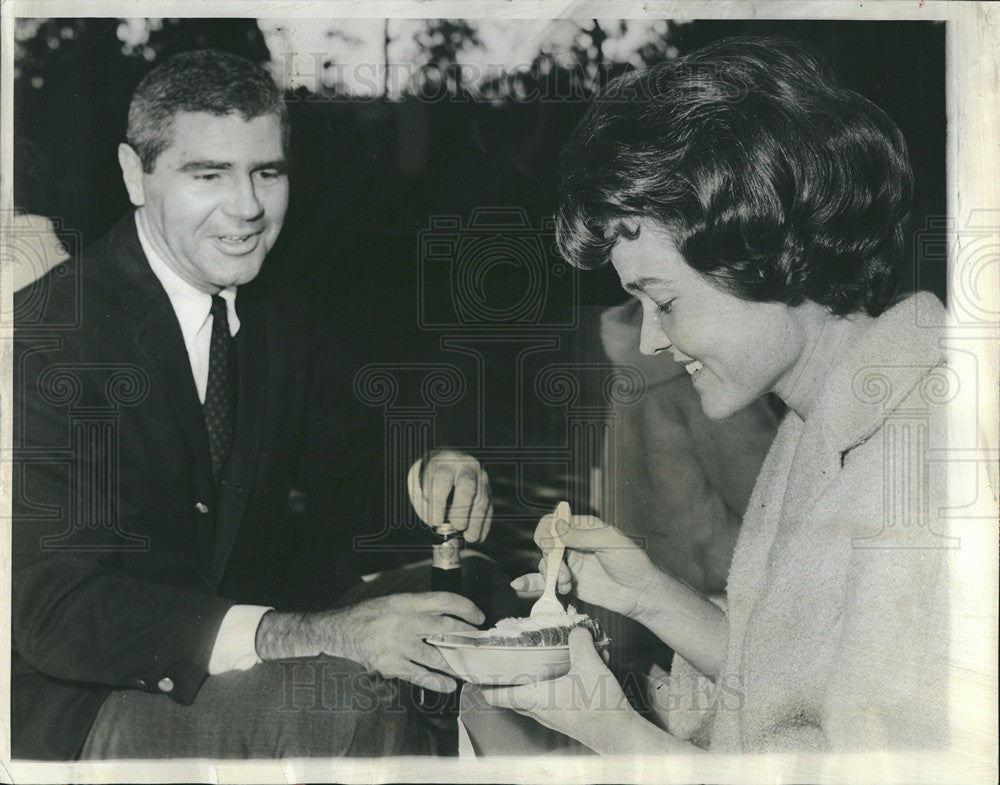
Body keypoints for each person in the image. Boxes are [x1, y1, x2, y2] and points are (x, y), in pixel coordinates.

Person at [12, 49, 510, 760]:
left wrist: (429, 473)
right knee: (348, 698)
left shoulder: (275, 313)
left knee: (472, 597)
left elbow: (349, 469)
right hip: (85, 695)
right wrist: (316, 634)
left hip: (236, 639)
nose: (246, 207)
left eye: (266, 172)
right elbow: (54, 610)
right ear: (134, 174)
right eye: (208, 174)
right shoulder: (49, 341)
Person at [480, 36, 951, 753]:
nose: (648, 341)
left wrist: (613, 731)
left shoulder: (926, 467)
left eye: (661, 300)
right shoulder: (818, 422)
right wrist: (654, 597)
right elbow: (787, 687)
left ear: (767, 254)